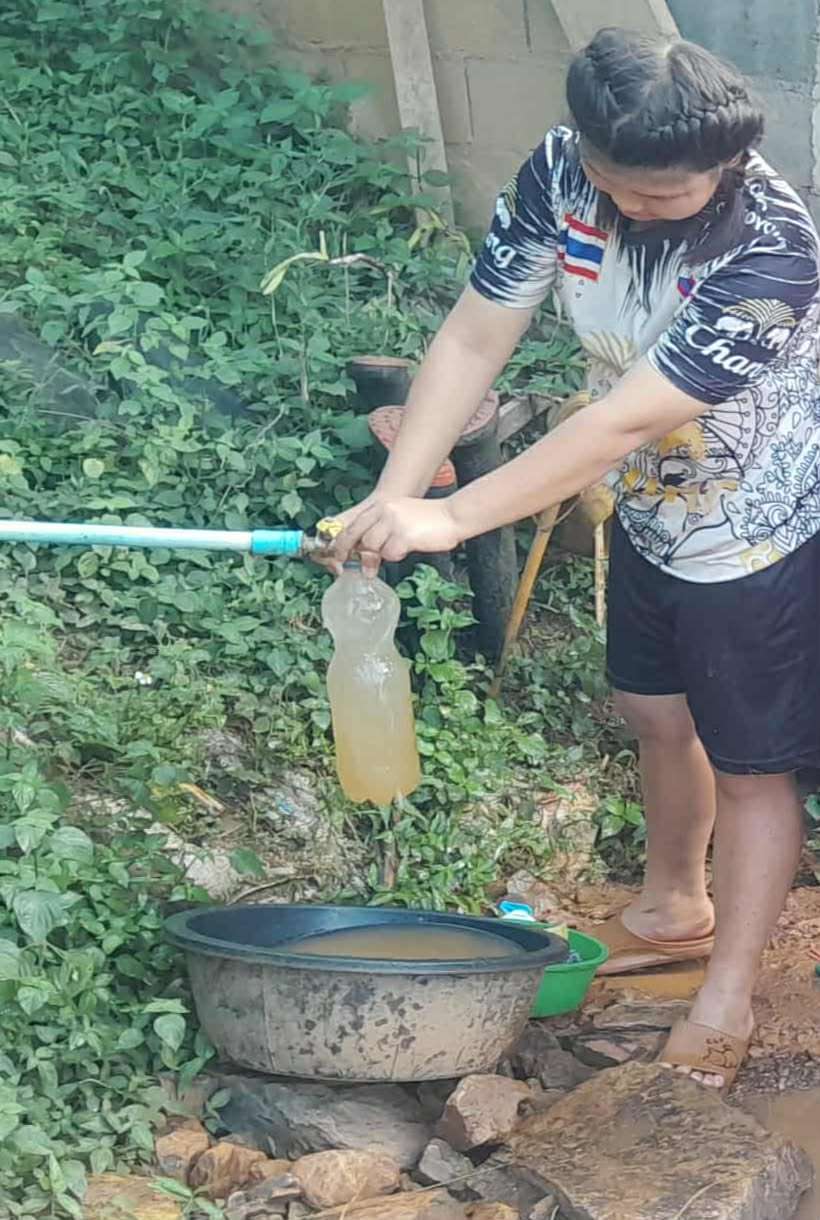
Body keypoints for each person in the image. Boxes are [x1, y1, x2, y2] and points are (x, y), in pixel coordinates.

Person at [329, 27, 820, 1090]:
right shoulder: (559, 170)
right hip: (650, 510)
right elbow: (474, 335)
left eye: (677, 192)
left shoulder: (772, 256)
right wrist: (398, 491)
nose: (650, 206)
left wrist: (452, 522)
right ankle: (673, 901)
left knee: (751, 762)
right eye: (628, 188)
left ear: (726, 163)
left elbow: (614, 425)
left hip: (754, 530)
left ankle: (729, 986)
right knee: (650, 709)